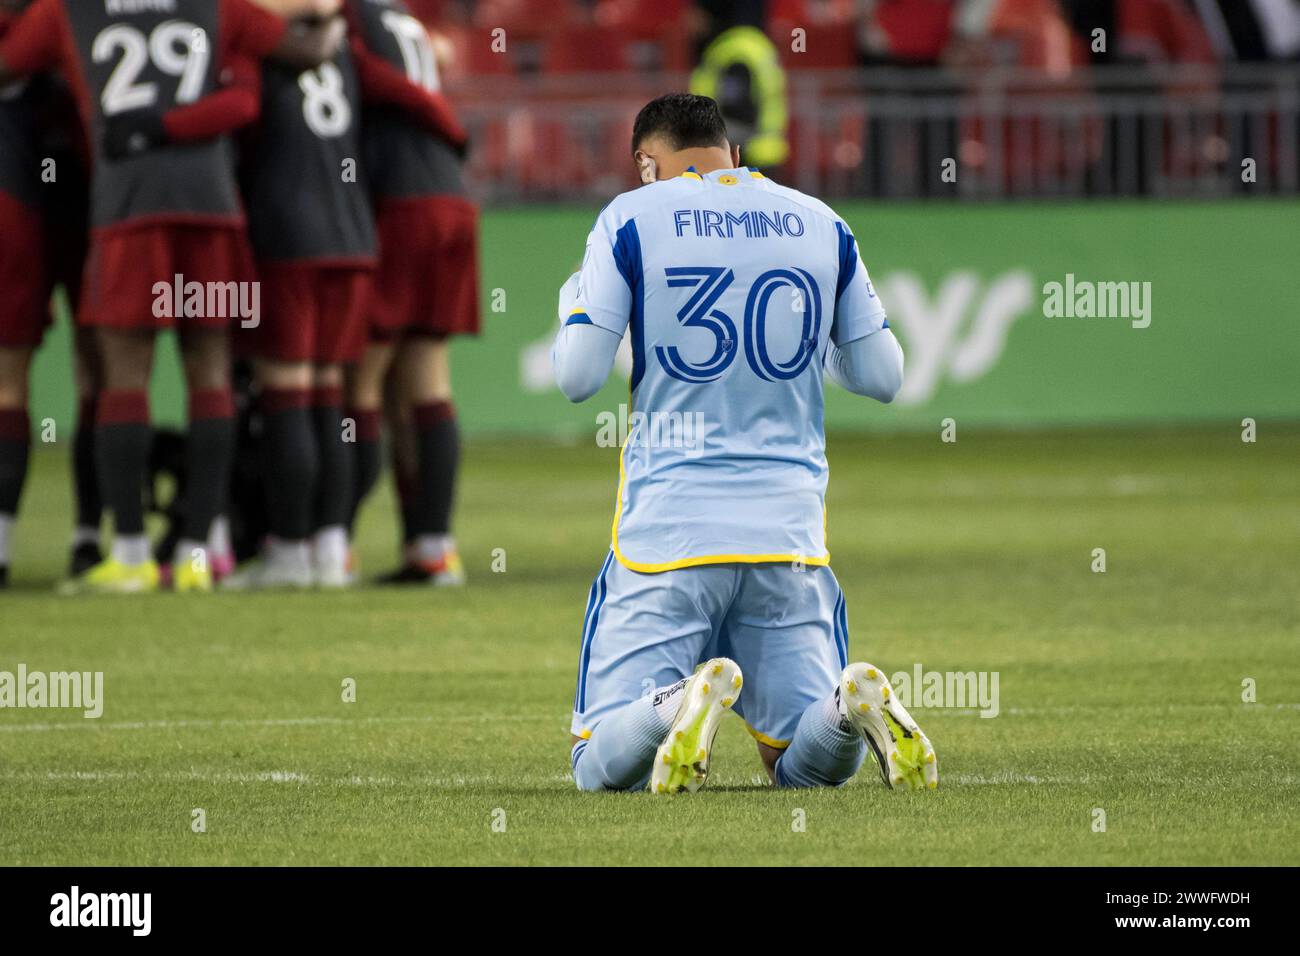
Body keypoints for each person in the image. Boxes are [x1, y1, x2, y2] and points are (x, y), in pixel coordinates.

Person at [554, 93, 938, 793]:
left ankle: (677, 700)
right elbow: (885, 377)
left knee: (597, 768)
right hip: (788, 538)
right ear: (734, 155)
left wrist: (571, 301)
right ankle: (849, 707)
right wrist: (810, 352)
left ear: (647, 164)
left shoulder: (630, 217)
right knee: (797, 764)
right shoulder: (821, 220)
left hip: (669, 535)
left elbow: (578, 378)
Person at [0, 0, 345, 593]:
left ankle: (130, 556)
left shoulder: (68, 10)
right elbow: (308, 49)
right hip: (210, 210)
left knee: (123, 379)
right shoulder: (217, 4)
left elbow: (7, 65)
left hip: (128, 210)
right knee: (209, 375)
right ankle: (193, 556)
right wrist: (327, 13)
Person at [343, 0, 476, 586]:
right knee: (426, 383)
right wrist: (448, 127)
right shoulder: (406, 21)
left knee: (361, 384)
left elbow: (365, 80)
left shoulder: (344, 18)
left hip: (398, 203)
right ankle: (433, 548)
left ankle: (329, 542)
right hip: (449, 197)